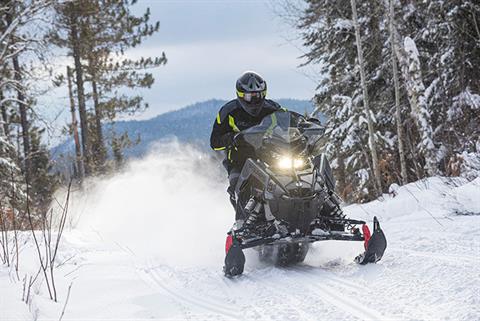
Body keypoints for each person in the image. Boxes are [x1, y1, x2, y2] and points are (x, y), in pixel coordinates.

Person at [210, 71, 283, 219]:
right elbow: (215, 141)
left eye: (257, 95)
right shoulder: (228, 112)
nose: (254, 100)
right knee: (238, 186)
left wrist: (306, 122)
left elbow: (289, 118)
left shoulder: (272, 108)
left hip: (269, 157)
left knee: (292, 177)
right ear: (240, 95)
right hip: (239, 160)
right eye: (249, 96)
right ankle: (243, 224)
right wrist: (231, 138)